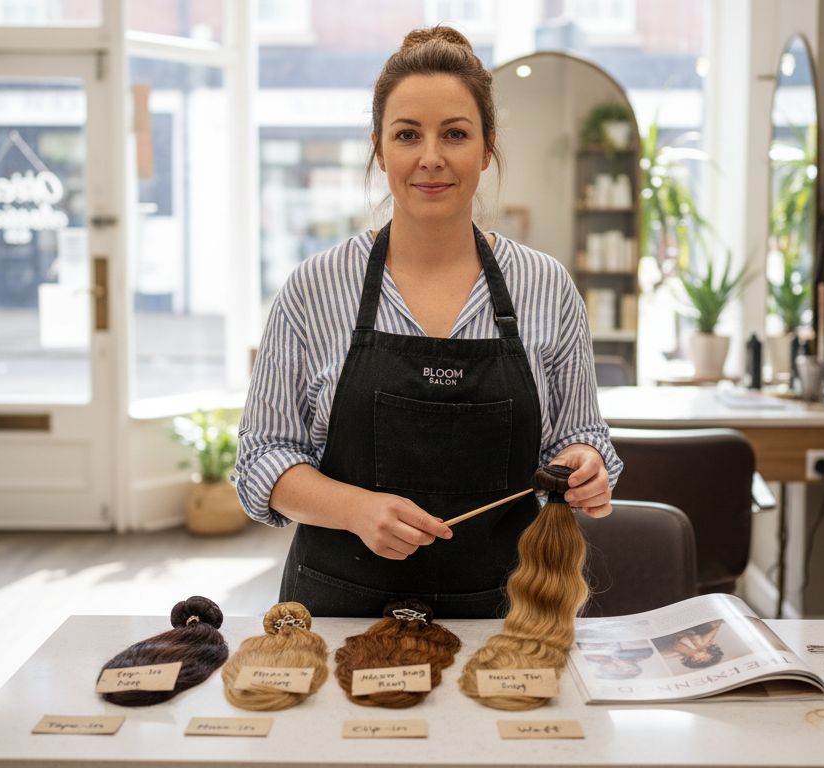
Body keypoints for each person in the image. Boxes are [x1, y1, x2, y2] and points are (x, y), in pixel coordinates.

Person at [232, 25, 622, 618]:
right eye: (408, 134)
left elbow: (581, 436)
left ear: (487, 148)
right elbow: (262, 458)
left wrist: (585, 465)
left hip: (507, 616)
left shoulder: (546, 287)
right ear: (379, 147)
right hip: (341, 613)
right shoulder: (313, 289)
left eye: (456, 134)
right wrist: (355, 510)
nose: (431, 157)